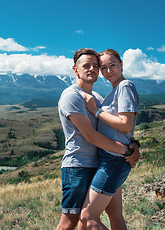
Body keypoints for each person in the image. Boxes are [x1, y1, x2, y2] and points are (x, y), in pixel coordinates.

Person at [56, 48, 140, 230]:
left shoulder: (97, 98)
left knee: (106, 216)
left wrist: (134, 144)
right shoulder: (72, 96)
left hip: (102, 162)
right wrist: (126, 151)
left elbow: (116, 126)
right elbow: (91, 136)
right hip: (79, 165)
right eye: (86, 65)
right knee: (70, 222)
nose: (92, 69)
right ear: (75, 70)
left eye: (96, 66)